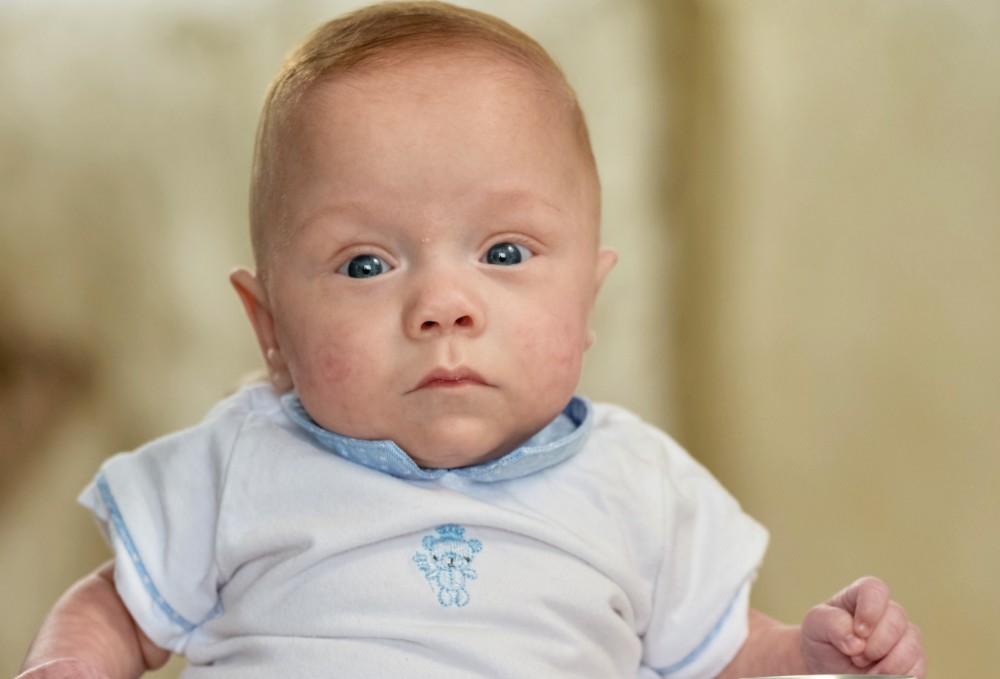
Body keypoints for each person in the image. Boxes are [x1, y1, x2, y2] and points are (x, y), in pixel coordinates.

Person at [19, 3, 925, 678]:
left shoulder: (639, 489)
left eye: (503, 251)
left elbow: (727, 653)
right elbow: (118, 612)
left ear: (586, 300)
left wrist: (810, 658)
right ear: (272, 332)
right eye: (367, 264)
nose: (444, 306)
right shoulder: (236, 464)